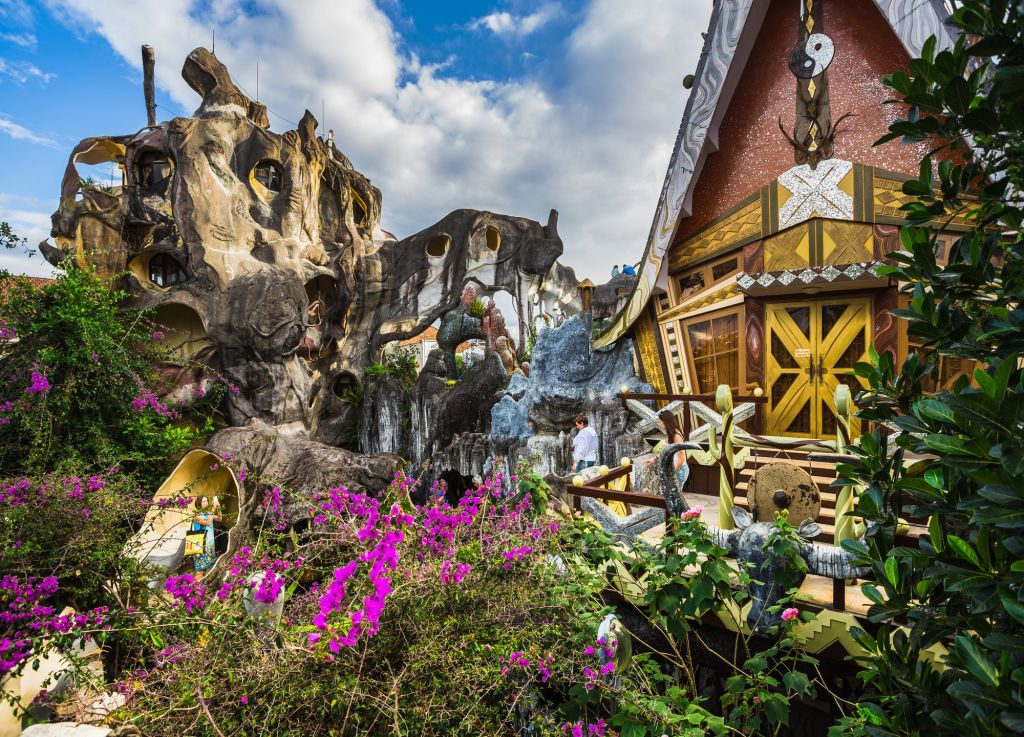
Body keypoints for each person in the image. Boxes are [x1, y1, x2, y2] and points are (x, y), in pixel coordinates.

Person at [645, 409, 690, 488]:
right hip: (675, 469)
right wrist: (654, 459)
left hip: (679, 471)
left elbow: (681, 459)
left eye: (660, 421)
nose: (659, 424)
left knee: (673, 495)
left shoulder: (676, 436)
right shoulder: (671, 434)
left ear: (666, 422)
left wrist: (670, 474)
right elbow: (666, 451)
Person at [191, 495, 222, 574]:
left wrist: (218, 507)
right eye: (204, 501)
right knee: (200, 569)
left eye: (207, 501)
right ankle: (196, 582)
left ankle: (204, 582)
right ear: (199, 504)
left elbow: (220, 518)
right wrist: (213, 509)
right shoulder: (196, 516)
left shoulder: (208, 514)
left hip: (210, 545)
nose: (207, 502)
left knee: (208, 567)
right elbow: (207, 522)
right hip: (201, 545)